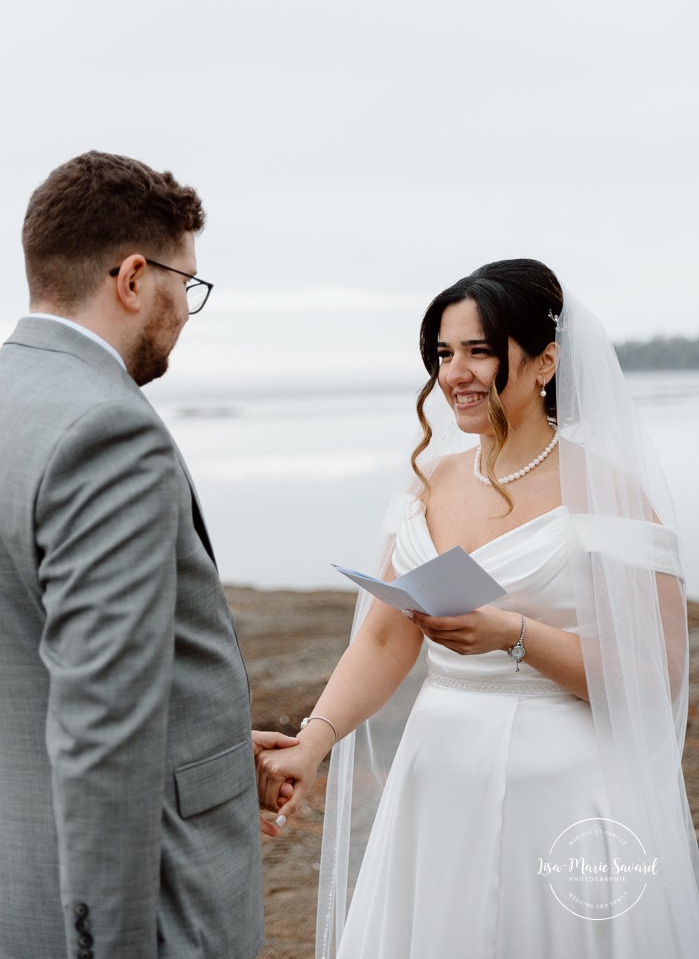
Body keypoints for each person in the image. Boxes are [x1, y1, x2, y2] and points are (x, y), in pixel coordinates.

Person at [257, 259, 699, 958]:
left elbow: (653, 680)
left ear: (544, 361)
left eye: (479, 351)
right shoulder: (429, 481)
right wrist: (313, 741)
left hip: (561, 791)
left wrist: (513, 634)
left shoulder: (604, 491)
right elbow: (380, 642)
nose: (453, 372)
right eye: (442, 353)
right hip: (437, 779)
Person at [0, 151, 293, 959]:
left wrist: (223, 746)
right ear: (133, 278)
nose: (187, 309)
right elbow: (103, 734)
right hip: (139, 915)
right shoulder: (107, 430)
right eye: (185, 284)